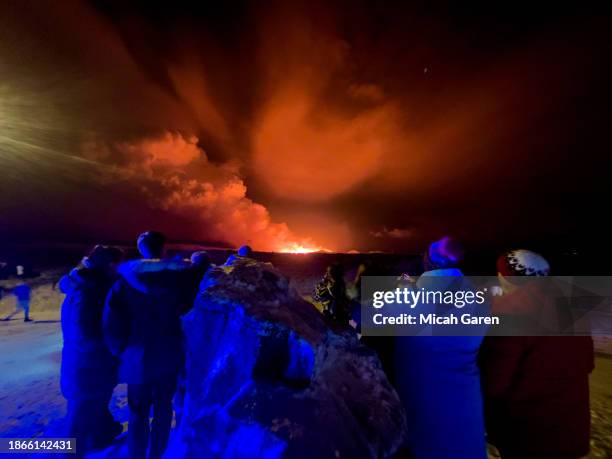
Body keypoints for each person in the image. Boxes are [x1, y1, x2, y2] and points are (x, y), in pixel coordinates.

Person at [479, 250, 594, 459]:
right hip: (569, 428)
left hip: (527, 433)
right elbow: (587, 364)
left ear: (509, 279)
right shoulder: (572, 313)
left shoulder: (511, 317)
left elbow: (493, 384)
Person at [103, 231, 197, 459]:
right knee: (164, 408)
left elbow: (111, 322)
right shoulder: (180, 280)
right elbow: (189, 312)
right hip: (169, 354)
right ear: (163, 248)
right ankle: (157, 453)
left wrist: (121, 351)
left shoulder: (123, 283)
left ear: (141, 248)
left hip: (137, 358)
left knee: (137, 411)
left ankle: (136, 454)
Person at [393, 236, 488, 459]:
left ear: (428, 260)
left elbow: (365, 317)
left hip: (419, 392)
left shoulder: (409, 297)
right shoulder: (477, 298)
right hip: (465, 394)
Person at [59, 245, 124, 456]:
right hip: (89, 362)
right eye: (117, 263)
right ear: (108, 264)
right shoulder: (92, 290)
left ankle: (100, 436)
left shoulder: (81, 284)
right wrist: (112, 350)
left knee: (90, 406)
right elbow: (87, 331)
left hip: (80, 358)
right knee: (79, 416)